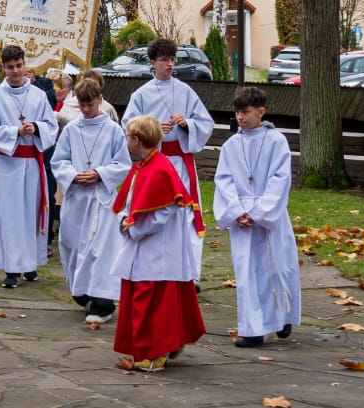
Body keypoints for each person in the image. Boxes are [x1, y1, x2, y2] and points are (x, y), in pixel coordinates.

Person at [109, 114, 206, 373]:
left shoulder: (160, 169)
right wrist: (125, 220)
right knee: (141, 297)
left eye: (128, 137)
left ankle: (154, 353)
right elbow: (130, 202)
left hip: (158, 251)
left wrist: (134, 228)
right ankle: (151, 349)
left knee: (152, 301)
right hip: (145, 247)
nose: (127, 141)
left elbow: (163, 211)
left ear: (137, 140)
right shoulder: (144, 166)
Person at [212, 85, 298, 347]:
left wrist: (259, 212)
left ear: (261, 112)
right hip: (242, 217)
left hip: (269, 215)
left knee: (276, 267)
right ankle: (253, 328)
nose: (240, 117)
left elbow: (280, 178)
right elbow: (224, 180)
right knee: (247, 273)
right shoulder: (231, 145)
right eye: (238, 112)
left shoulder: (276, 141)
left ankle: (281, 315)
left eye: (246, 112)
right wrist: (237, 210)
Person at [51, 78, 131, 325]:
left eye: (90, 104)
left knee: (100, 251)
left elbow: (123, 164)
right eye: (81, 105)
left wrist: (99, 173)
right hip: (76, 198)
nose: (85, 110)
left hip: (101, 199)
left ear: (99, 100)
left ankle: (102, 302)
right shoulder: (72, 129)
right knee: (72, 245)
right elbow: (59, 161)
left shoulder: (113, 130)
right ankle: (83, 292)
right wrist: (73, 175)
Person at [0, 44, 59, 288]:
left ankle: (30, 263)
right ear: (3, 68)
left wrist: (35, 128)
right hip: (7, 164)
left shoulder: (38, 95)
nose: (15, 71)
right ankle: (12, 268)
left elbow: (51, 125)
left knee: (30, 213)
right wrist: (15, 131)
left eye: (19, 66)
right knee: (10, 215)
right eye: (10, 67)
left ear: (25, 65)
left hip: (31, 163)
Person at [125, 36, 213, 246]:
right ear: (153, 62)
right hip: (155, 162)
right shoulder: (141, 95)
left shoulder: (185, 90)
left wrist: (186, 124)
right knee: (158, 206)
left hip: (181, 162)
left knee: (183, 208)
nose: (170, 64)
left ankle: (185, 254)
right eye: (164, 59)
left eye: (173, 59)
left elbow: (205, 122)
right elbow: (129, 127)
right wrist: (153, 129)